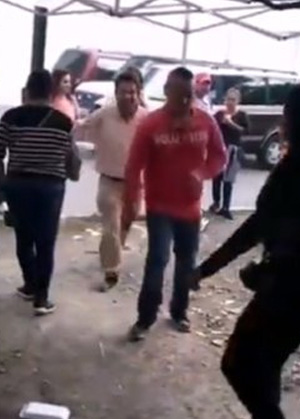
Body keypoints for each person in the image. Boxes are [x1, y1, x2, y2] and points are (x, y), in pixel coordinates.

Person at [189, 80, 300, 419]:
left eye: (288, 115)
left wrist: (267, 269)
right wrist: (208, 268)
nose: (283, 123)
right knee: (262, 365)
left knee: (239, 364)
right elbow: (260, 226)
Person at [122, 67, 227, 340]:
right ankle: (145, 318)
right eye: (179, 95)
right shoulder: (151, 124)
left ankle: (179, 311)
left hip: (190, 208)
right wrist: (131, 202)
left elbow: (219, 156)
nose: (184, 102)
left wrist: (202, 173)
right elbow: (134, 167)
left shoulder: (205, 121)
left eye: (188, 96)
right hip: (159, 207)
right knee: (157, 260)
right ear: (167, 91)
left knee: (186, 262)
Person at [0, 69, 75, 316]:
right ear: (51, 93)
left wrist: (2, 187)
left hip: (18, 185)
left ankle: (30, 284)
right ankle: (41, 299)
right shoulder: (64, 122)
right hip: (51, 188)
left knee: (23, 238)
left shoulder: (11, 117)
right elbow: (71, 159)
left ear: (26, 91)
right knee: (45, 242)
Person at [75, 70, 148, 292]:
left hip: (136, 184)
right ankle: (111, 271)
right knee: (111, 226)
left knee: (126, 222)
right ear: (116, 94)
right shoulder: (103, 115)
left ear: (139, 93)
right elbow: (80, 128)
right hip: (109, 181)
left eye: (132, 92)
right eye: (123, 92)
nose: (128, 96)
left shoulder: (147, 119)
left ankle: (111, 253)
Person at [209, 87, 250, 220]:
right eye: (228, 99)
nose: (230, 102)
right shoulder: (219, 114)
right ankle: (216, 203)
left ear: (238, 101)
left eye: (233, 100)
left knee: (228, 180)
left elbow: (245, 131)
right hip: (220, 149)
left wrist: (231, 123)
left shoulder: (241, 115)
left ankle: (226, 207)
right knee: (217, 178)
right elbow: (211, 129)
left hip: (233, 149)